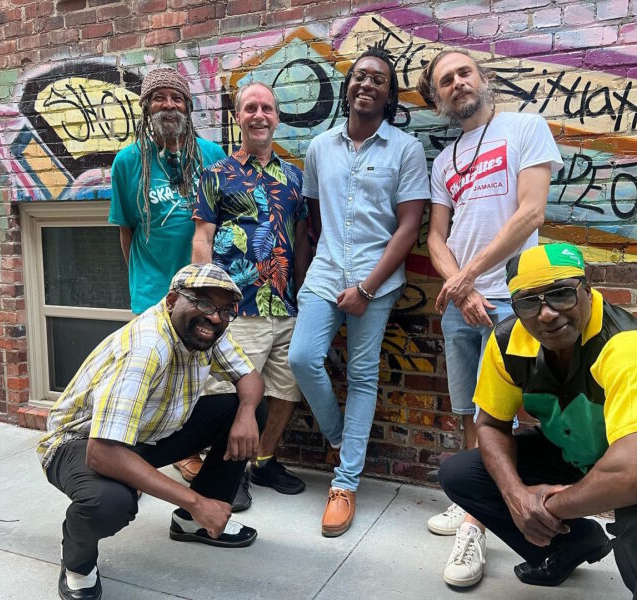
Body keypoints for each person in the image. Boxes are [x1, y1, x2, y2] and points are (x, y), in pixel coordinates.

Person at [439, 243, 637, 599]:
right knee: (461, 474)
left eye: (560, 294)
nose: (547, 314)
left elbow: (636, 475)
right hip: (574, 446)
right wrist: (516, 495)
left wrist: (544, 508)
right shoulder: (507, 341)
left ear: (587, 289)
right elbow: (491, 425)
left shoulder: (625, 343)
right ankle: (571, 545)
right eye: (528, 302)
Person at [416, 48, 563, 587]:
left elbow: (531, 212)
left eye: (464, 73)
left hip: (515, 301)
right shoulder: (443, 161)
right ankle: (472, 499)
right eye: (445, 80)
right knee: (467, 410)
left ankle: (476, 529)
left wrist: (468, 277)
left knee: (506, 415)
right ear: (437, 98)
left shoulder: (525, 128)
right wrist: (462, 290)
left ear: (483, 78)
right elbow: (436, 237)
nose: (457, 82)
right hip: (463, 303)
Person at [38, 264, 267, 600]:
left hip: (148, 433)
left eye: (224, 310)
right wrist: (196, 500)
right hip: (80, 443)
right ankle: (78, 562)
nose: (215, 317)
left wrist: (246, 413)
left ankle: (192, 522)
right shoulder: (147, 347)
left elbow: (249, 377)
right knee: (109, 502)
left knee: (248, 408)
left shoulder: (205, 330)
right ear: (172, 301)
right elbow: (102, 453)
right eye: (204, 303)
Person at [288, 47, 429, 537]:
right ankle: (337, 438)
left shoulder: (405, 150)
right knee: (303, 358)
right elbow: (316, 217)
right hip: (326, 271)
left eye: (379, 80)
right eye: (360, 76)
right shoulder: (319, 147)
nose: (367, 84)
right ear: (348, 86)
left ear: (389, 96)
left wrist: (367, 288)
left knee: (363, 376)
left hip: (378, 278)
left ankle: (345, 484)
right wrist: (323, 269)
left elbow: (409, 227)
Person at [192, 81, 311, 503]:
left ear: (277, 118)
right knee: (230, 396)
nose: (259, 115)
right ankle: (228, 474)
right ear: (238, 117)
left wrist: (303, 295)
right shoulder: (217, 174)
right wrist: (206, 300)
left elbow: (301, 240)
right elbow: (202, 238)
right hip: (238, 308)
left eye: (267, 108)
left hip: (286, 305)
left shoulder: (294, 177)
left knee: (285, 390)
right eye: (251, 108)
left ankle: (263, 460)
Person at [109, 66, 227, 481]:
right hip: (152, 291)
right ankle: (137, 459)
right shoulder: (128, 162)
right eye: (159, 97)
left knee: (197, 375)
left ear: (189, 107)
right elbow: (126, 230)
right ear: (146, 107)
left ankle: (184, 447)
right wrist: (140, 281)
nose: (168, 105)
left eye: (177, 98)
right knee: (148, 378)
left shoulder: (212, 156)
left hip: (202, 290)